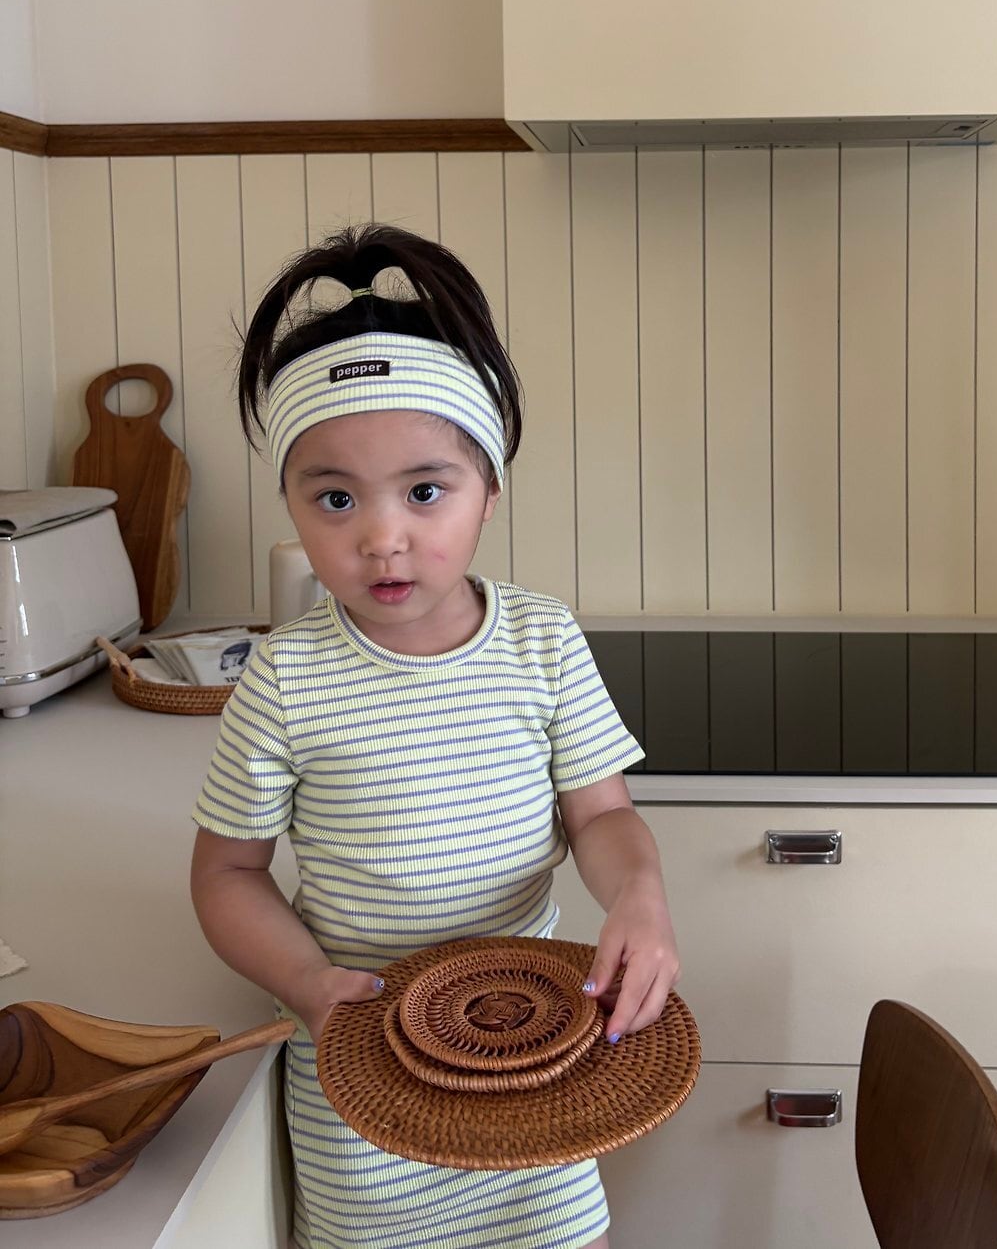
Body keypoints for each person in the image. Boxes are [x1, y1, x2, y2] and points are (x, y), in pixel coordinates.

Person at [190, 223, 679, 1249]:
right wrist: (305, 985)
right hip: (363, 1076)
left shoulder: (542, 639)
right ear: (290, 504)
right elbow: (228, 874)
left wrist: (639, 895)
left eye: (425, 490)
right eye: (335, 498)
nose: (382, 537)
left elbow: (600, 816)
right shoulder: (284, 675)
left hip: (530, 1058)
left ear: (489, 488)